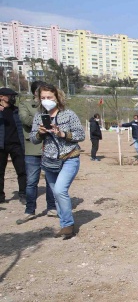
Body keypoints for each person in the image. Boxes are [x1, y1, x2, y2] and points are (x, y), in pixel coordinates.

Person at [31, 83, 85, 239]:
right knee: (56, 193)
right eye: (43, 98)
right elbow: (34, 139)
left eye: (50, 97)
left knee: (60, 190)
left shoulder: (68, 114)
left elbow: (80, 135)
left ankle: (68, 225)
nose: (46, 100)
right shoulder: (38, 116)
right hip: (49, 161)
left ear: (57, 97)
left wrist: (62, 133)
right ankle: (64, 224)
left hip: (69, 157)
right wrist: (40, 133)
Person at [16, 81, 57, 224]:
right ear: (36, 93)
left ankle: (52, 208)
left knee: (51, 181)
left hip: (50, 147)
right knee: (32, 182)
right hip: (32, 148)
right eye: (42, 92)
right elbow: (25, 119)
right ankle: (30, 210)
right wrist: (43, 121)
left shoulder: (53, 105)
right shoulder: (25, 105)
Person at [0, 87, 27, 204]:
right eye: (10, 96)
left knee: (21, 171)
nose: (13, 98)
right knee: (0, 172)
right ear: (1, 97)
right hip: (1, 146)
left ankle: (23, 194)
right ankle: (1, 196)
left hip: (16, 145)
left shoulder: (16, 110)